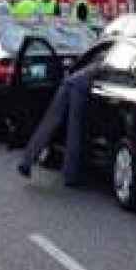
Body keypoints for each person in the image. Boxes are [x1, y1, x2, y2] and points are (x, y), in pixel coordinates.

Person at [17, 59, 97, 187]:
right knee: (74, 130)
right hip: (82, 87)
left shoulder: (104, 54)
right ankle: (70, 175)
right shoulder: (117, 56)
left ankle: (26, 161)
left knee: (49, 123)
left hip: (68, 82)